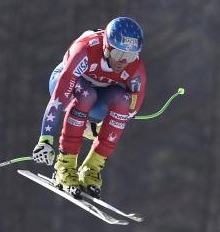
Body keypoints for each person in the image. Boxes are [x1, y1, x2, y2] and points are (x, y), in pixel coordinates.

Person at [31, 17, 147, 198]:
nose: (123, 62)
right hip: (66, 86)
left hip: (100, 98)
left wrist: (100, 128)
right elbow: (58, 98)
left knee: (123, 100)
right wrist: (45, 139)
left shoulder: (135, 69)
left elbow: (131, 109)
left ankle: (91, 169)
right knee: (87, 95)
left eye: (131, 56)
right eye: (118, 54)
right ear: (106, 47)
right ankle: (65, 165)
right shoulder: (86, 50)